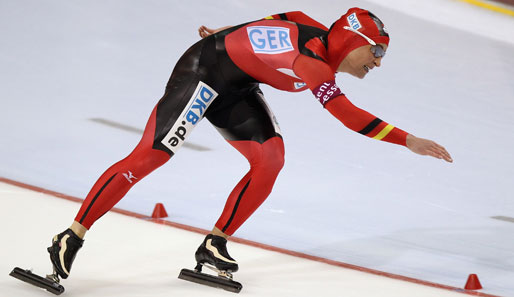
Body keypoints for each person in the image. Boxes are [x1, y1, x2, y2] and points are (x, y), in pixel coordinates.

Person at [47, 7, 453, 283]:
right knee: (153, 154)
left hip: (238, 85)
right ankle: (72, 235)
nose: (378, 61)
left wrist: (233, 31)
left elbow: (285, 17)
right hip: (203, 71)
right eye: (377, 51)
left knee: (270, 158)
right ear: (352, 41)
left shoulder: (315, 32)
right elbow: (346, 115)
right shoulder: (310, 63)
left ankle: (215, 243)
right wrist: (409, 140)